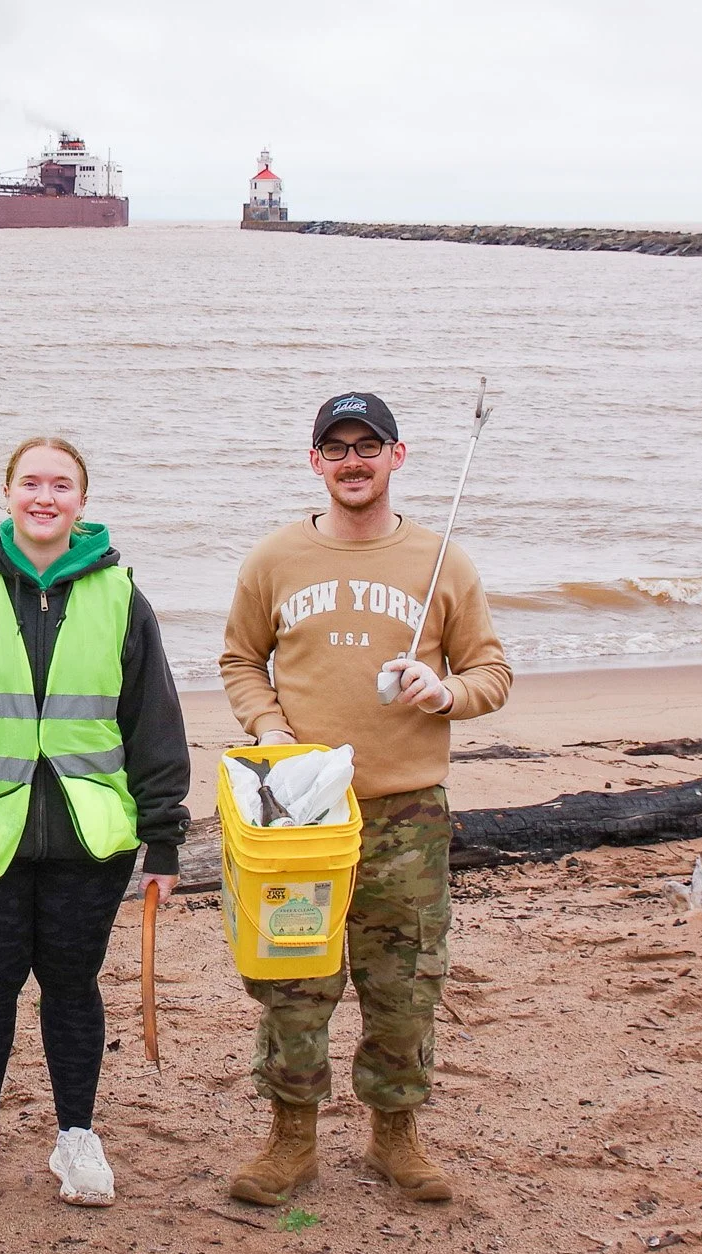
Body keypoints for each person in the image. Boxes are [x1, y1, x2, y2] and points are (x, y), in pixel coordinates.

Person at [219, 391, 511, 1206]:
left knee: (404, 981)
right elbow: (240, 660)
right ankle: (292, 1139)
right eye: (337, 447)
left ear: (396, 456)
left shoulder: (442, 560)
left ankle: (396, 1134)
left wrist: (443, 691)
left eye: (368, 445)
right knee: (295, 978)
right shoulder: (274, 559)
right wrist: (270, 728)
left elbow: (493, 674)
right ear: (315, 461)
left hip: (406, 815)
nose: (353, 460)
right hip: (301, 816)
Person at [0, 437, 189, 1208]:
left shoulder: (122, 596)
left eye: (61, 485)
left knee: (73, 985)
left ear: (82, 501)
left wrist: (164, 837)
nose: (44, 497)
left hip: (91, 835)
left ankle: (76, 1138)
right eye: (30, 482)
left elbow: (153, 721)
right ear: (7, 492)